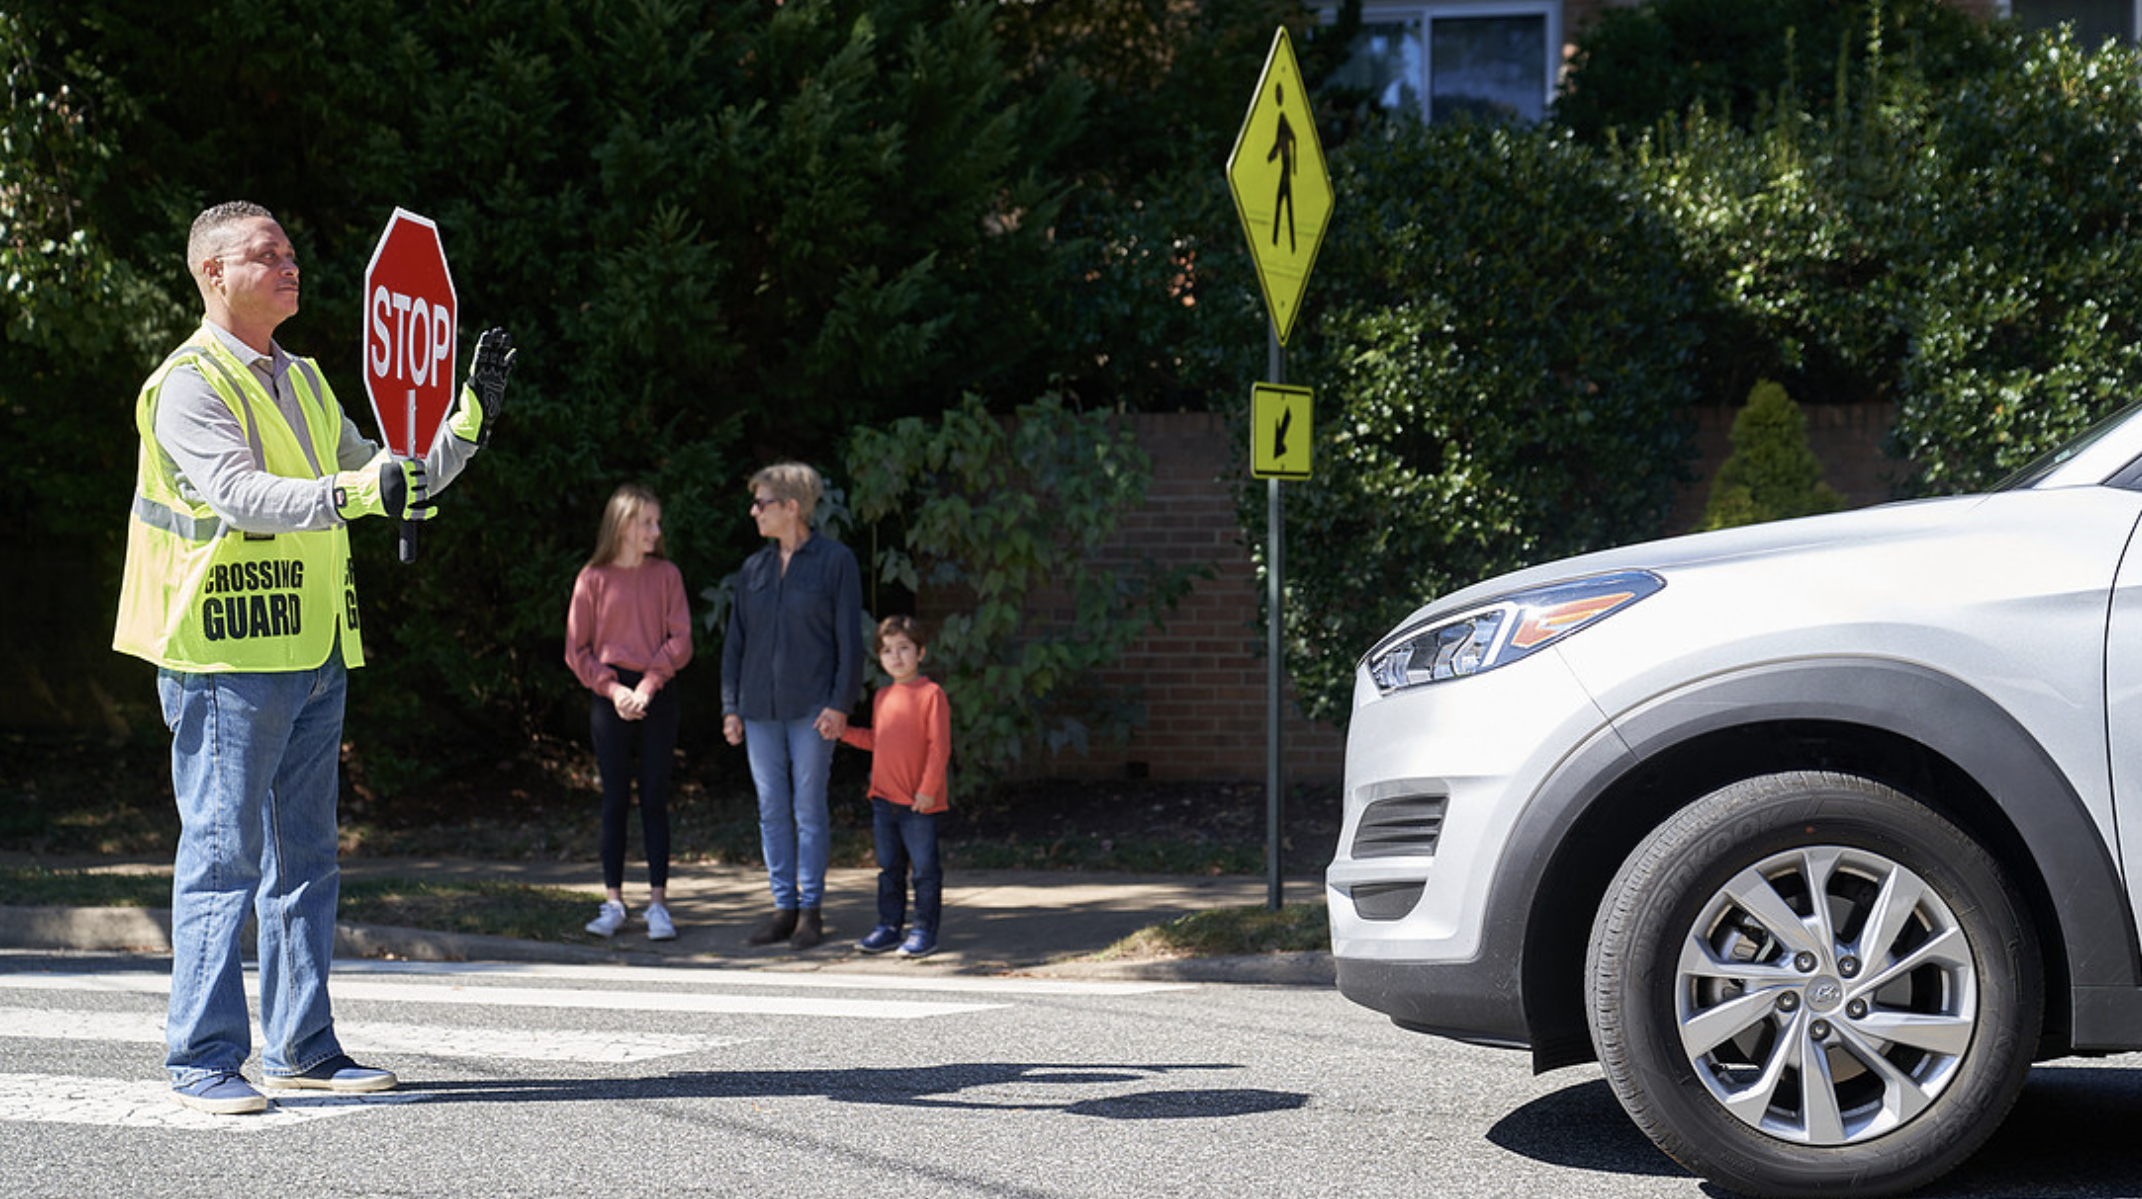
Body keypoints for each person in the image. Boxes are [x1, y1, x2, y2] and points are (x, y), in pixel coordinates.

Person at [113, 200, 515, 1114]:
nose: (292, 265)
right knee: (222, 855)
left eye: (293, 251)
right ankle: (202, 1058)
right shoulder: (188, 382)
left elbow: (388, 474)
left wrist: (466, 425)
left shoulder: (304, 377)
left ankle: (302, 1044)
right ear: (215, 273)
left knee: (305, 860)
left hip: (313, 643)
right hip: (222, 654)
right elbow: (242, 495)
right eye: (269, 255)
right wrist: (357, 487)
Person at [720, 463, 863, 950]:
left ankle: (810, 912)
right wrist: (730, 707)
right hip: (758, 709)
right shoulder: (754, 569)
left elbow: (850, 640)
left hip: (813, 711)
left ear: (792, 507)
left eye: (762, 503)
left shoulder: (835, 561)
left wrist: (840, 703)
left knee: (808, 808)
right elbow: (736, 643)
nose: (754, 511)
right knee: (770, 810)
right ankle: (783, 908)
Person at [565, 483, 693, 941]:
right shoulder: (592, 578)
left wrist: (648, 685)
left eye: (657, 523)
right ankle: (614, 902)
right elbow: (576, 650)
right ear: (622, 525)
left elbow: (680, 639)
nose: (656, 532)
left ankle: (658, 904)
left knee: (655, 798)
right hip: (610, 695)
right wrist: (614, 689)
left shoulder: (667, 575)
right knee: (614, 799)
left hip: (656, 693)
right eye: (647, 523)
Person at [839, 615, 953, 958]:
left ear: (920, 652)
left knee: (924, 871)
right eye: (887, 650)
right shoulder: (882, 696)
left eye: (904, 648)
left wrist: (928, 788)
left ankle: (923, 930)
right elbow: (879, 740)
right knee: (889, 869)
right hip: (883, 799)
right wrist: (843, 733)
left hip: (919, 802)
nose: (896, 657)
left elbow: (939, 746)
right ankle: (889, 927)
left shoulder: (932, 694)